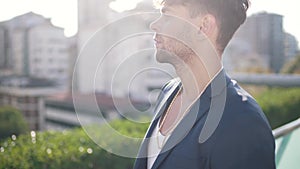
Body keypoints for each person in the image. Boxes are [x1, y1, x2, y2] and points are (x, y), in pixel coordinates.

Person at [133, 0, 276, 169]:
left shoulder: (243, 122)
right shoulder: (168, 92)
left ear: (204, 26)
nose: (154, 25)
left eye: (167, 15)